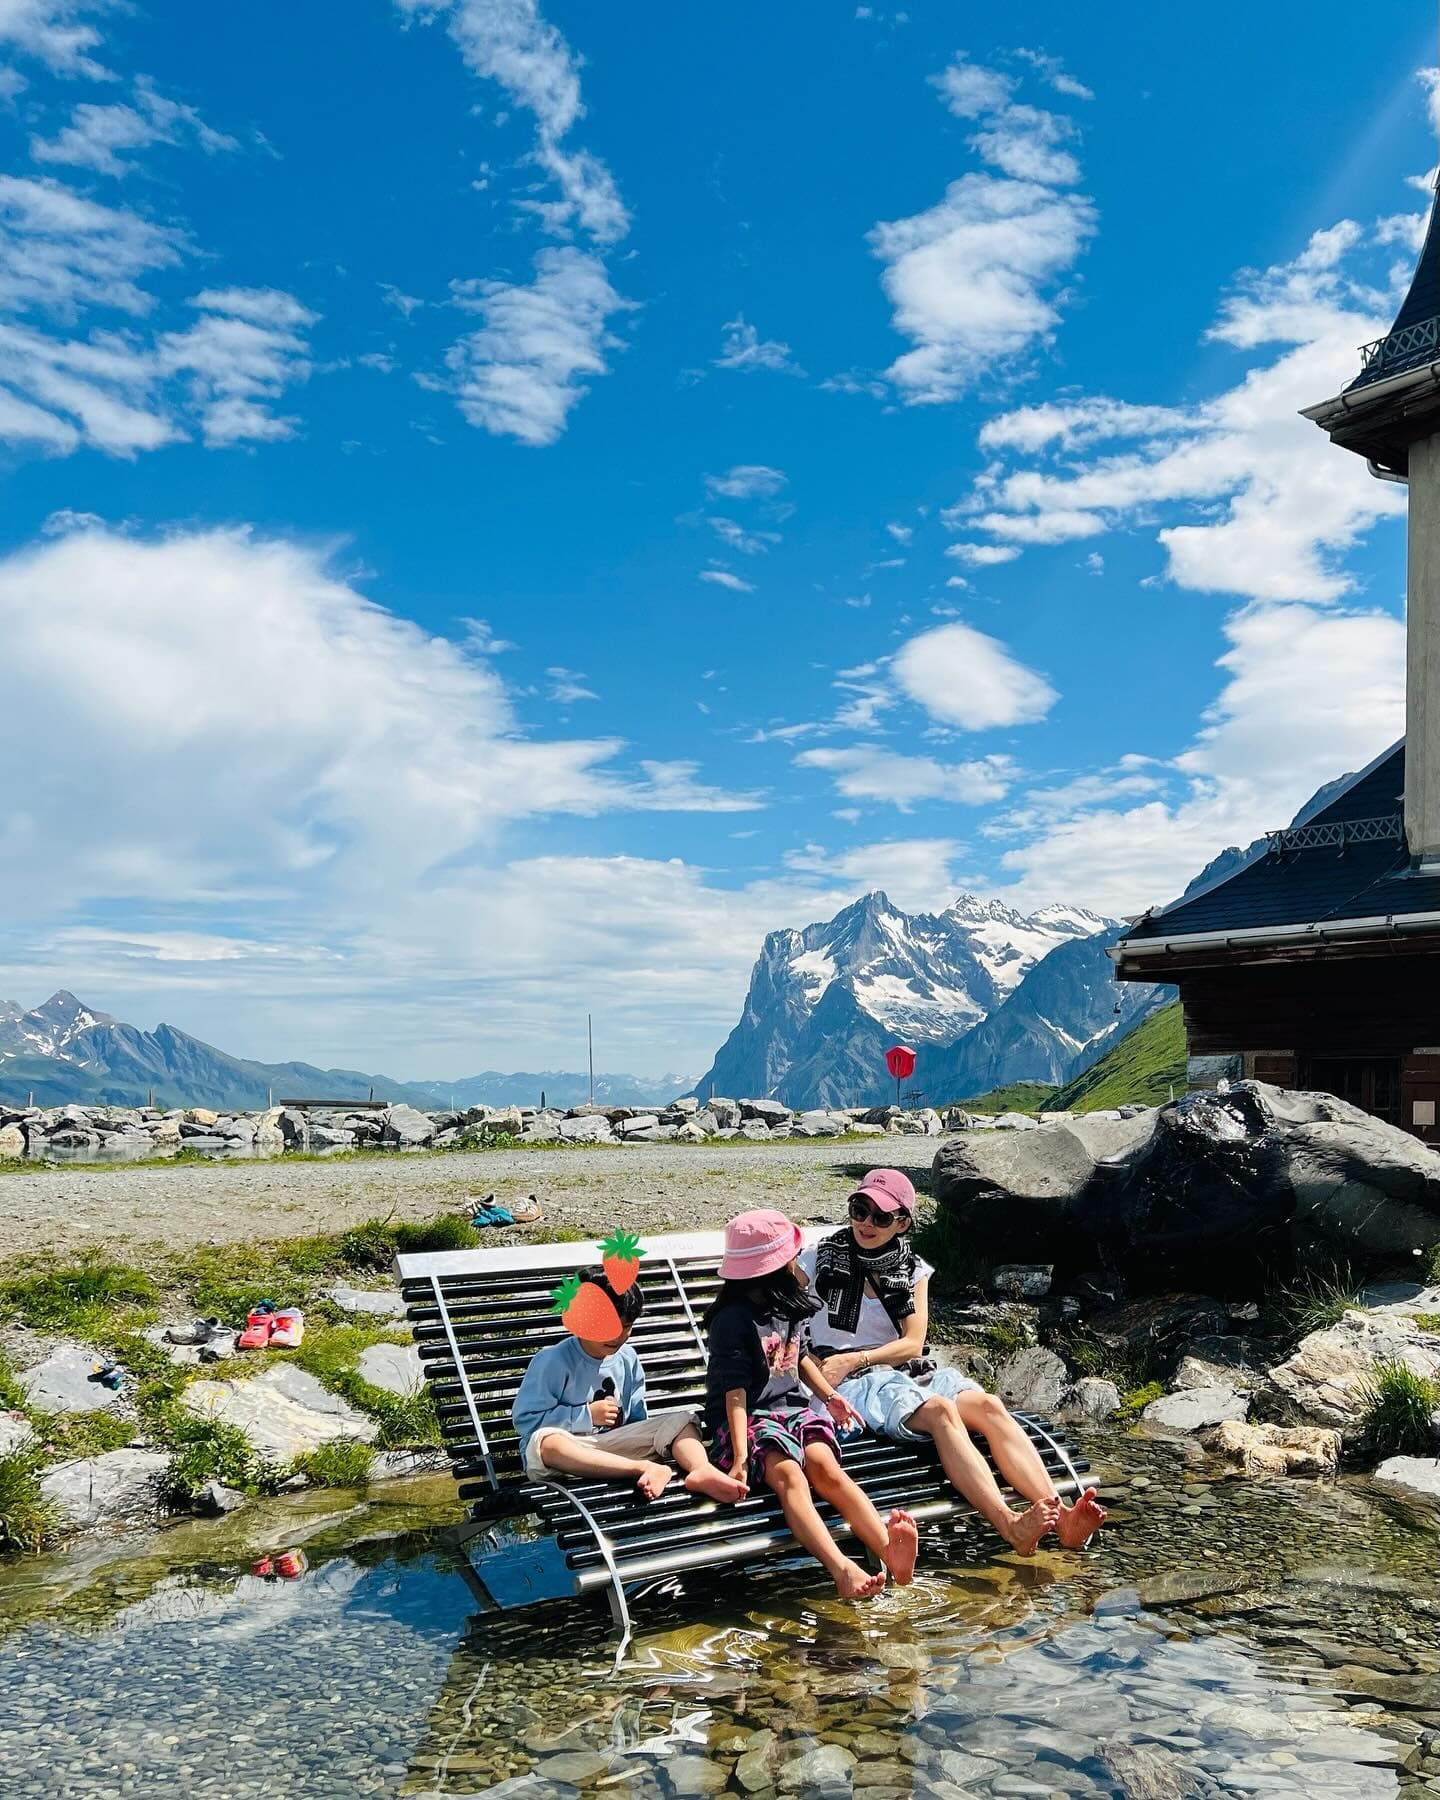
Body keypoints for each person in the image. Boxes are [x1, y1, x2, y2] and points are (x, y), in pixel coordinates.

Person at [798, 1169, 1106, 1555]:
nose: (866, 1223)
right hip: (846, 1383)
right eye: (860, 1210)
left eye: (880, 1217)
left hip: (897, 1370)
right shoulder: (815, 1259)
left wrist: (858, 1356)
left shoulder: (913, 1270)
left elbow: (913, 1344)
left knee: (990, 1406)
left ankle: (1061, 1519)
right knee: (941, 1411)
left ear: (902, 1223)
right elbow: (785, 1329)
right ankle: (1009, 1525)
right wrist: (836, 1369)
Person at [704, 1206, 920, 1600]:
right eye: (788, 1258)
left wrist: (831, 1397)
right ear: (771, 1268)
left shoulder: (789, 1305)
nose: (794, 1264)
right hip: (747, 1421)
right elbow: (733, 1396)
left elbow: (800, 1358)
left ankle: (890, 1552)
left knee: (827, 1469)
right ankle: (841, 1569)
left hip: (791, 1411)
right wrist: (738, 1459)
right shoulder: (732, 1321)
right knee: (791, 1477)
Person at [512, 1266, 747, 1502]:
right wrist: (586, 1415)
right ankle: (642, 1468)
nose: (617, 1336)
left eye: (626, 1327)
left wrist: (643, 1436)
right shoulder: (554, 1360)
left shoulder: (627, 1357)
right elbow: (526, 1422)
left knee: (682, 1420)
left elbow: (636, 1419)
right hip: (571, 1451)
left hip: (617, 1447)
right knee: (547, 1443)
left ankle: (701, 1469)